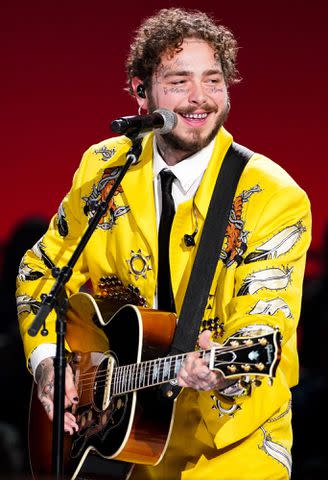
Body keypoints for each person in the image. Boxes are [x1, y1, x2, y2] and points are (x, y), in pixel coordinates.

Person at [16, 8, 311, 480]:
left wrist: (223, 369)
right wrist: (50, 364)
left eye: (213, 81)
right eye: (179, 82)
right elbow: (41, 271)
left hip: (235, 446)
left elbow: (265, 316)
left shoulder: (271, 195)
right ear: (140, 91)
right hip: (133, 445)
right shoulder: (104, 169)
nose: (200, 100)